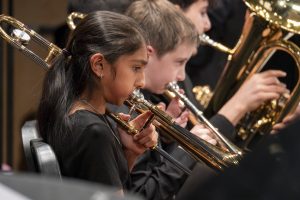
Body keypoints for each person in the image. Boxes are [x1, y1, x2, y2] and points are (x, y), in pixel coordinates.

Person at [37, 11, 158, 196]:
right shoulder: (94, 133)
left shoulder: (76, 113)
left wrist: (129, 153)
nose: (142, 81)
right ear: (99, 65)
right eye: (136, 68)